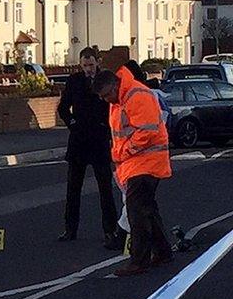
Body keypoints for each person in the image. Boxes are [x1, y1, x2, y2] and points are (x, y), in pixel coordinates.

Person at [93, 68, 174, 276]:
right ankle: (163, 251)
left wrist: (123, 151)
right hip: (139, 162)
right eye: (102, 97)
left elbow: (147, 131)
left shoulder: (136, 95)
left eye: (106, 95)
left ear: (114, 85)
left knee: (136, 211)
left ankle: (139, 260)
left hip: (145, 162)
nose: (105, 100)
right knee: (147, 208)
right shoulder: (120, 99)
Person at [56, 47, 120, 248]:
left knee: (105, 188)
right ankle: (70, 228)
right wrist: (72, 123)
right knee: (73, 188)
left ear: (97, 62)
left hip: (99, 139)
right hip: (79, 139)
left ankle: (110, 230)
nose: (88, 69)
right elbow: (63, 107)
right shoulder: (74, 81)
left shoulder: (105, 80)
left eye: (91, 65)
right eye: (84, 66)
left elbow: (114, 105)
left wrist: (107, 126)